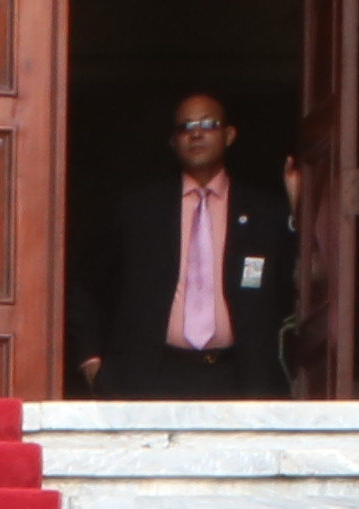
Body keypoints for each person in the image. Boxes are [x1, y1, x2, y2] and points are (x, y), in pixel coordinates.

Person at [82, 91, 297, 400]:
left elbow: (300, 285)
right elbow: (87, 284)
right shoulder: (138, 209)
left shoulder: (266, 212)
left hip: (239, 377)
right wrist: (90, 358)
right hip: (150, 376)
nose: (196, 133)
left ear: (229, 135)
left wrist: (299, 210)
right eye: (185, 127)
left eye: (208, 124)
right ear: (173, 141)